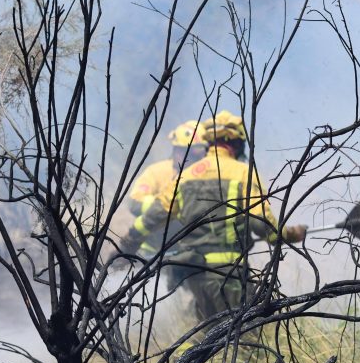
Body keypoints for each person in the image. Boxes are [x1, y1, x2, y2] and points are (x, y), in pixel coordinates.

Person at [121, 110, 306, 325]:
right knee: (241, 340)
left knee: (198, 338)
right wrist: (291, 234)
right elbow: (263, 226)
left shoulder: (186, 176)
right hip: (229, 276)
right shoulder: (243, 173)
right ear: (236, 143)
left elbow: (152, 216)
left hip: (193, 275)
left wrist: (129, 242)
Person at [125, 120, 208, 262]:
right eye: (181, 150)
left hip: (190, 255)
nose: (187, 157)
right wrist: (164, 206)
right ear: (175, 149)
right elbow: (135, 202)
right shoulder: (157, 172)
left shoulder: (208, 176)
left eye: (195, 154)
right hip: (151, 253)